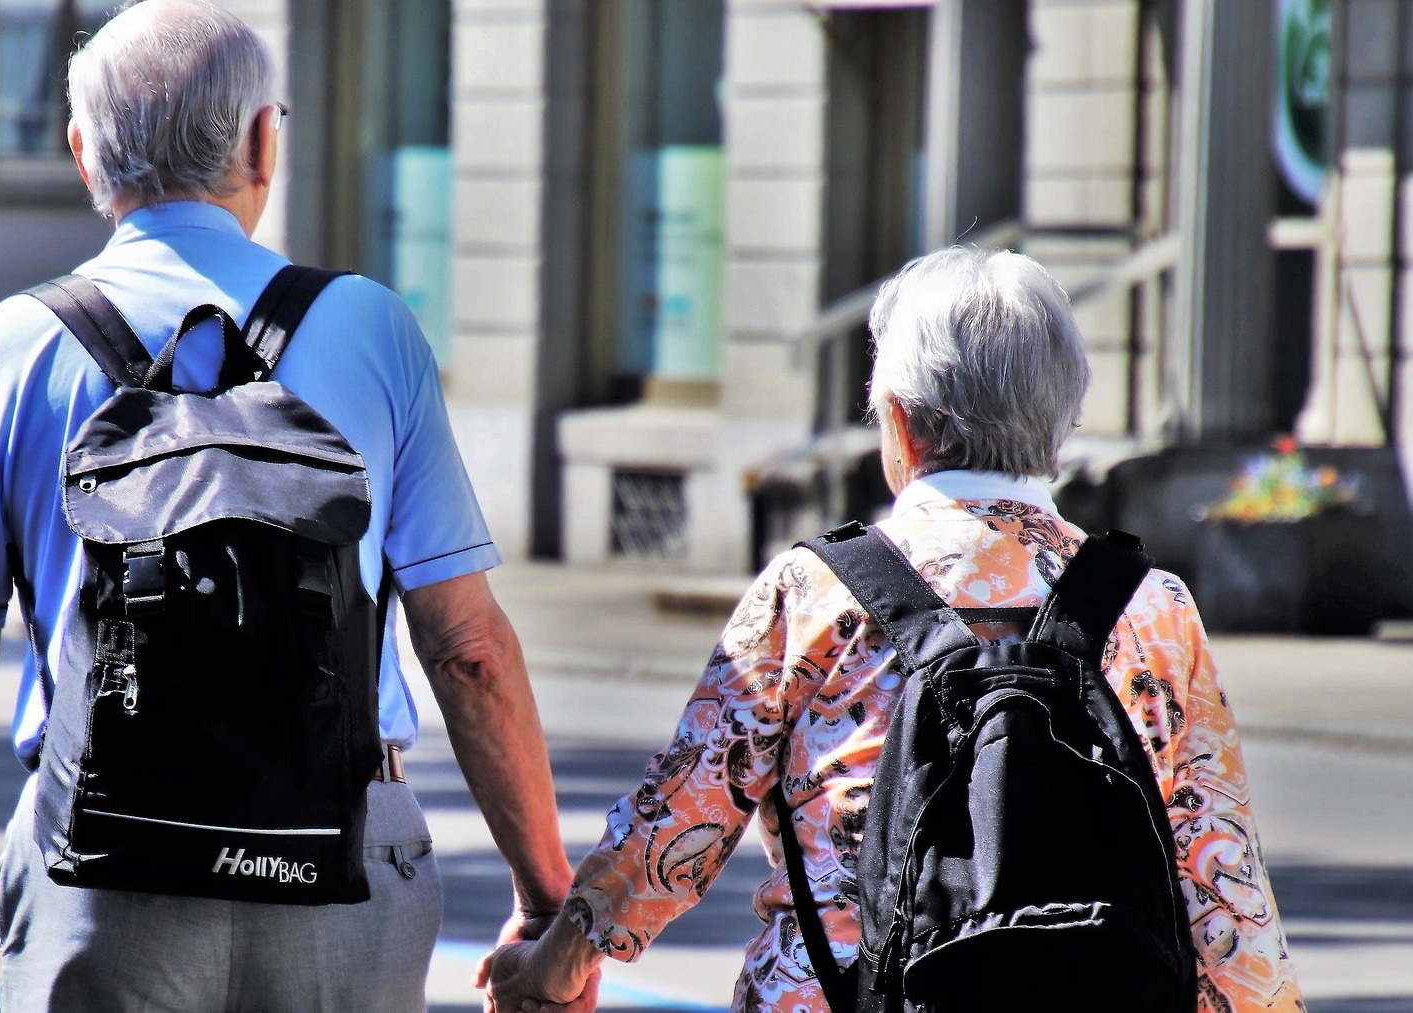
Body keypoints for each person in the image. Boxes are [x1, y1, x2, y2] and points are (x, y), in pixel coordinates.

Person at [0, 3, 576, 1010]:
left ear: (81, 151)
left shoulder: (6, 350)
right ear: (259, 141)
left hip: (103, 865)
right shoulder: (372, 329)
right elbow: (469, 649)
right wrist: (549, 899)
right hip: (343, 861)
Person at [484, 247, 1304, 1012]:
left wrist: (557, 962)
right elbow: (1222, 876)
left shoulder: (814, 592)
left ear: (903, 425)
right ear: (1059, 426)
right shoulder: (1153, 607)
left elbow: (681, 820)